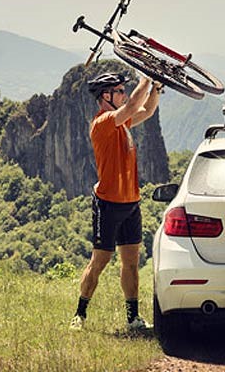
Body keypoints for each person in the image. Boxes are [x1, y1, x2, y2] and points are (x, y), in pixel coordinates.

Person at [69, 72, 163, 333]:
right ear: (106, 97)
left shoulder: (121, 123)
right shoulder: (103, 122)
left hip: (131, 202)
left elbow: (146, 110)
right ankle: (80, 315)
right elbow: (133, 106)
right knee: (100, 260)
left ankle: (133, 318)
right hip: (107, 203)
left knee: (131, 262)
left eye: (124, 90)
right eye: (119, 91)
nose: (123, 94)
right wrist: (146, 78)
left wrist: (157, 87)